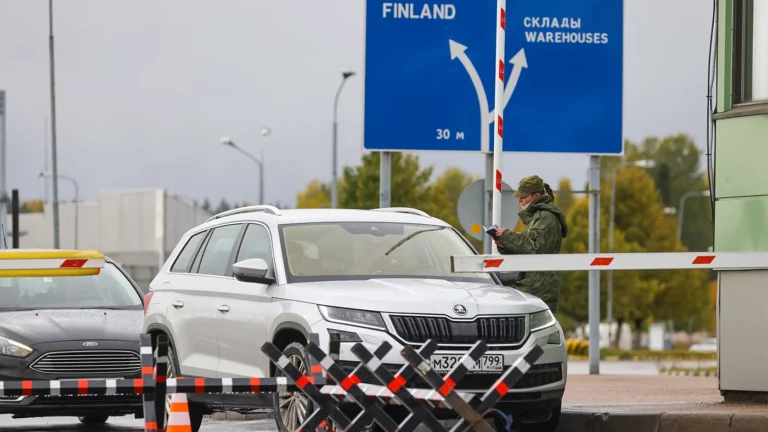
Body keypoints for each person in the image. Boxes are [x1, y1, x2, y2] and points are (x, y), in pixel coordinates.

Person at [494, 175, 568, 312]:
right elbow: (529, 248)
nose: (520, 200)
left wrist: (507, 237)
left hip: (539, 287)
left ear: (536, 196)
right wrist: (504, 244)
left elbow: (534, 247)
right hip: (534, 285)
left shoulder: (546, 217)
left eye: (524, 197)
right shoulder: (538, 217)